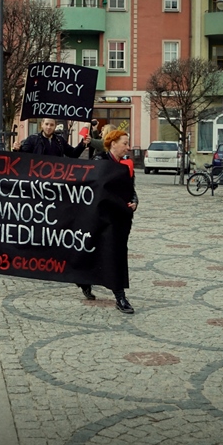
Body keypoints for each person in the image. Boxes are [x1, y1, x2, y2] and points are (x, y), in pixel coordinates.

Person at [81, 130, 137, 313]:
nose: (128, 147)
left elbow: (131, 189)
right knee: (100, 252)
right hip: (101, 218)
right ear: (113, 143)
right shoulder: (100, 161)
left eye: (128, 143)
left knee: (116, 254)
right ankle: (88, 281)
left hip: (119, 219)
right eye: (124, 143)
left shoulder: (127, 164)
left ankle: (117, 296)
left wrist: (134, 201)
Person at [18, 117, 88, 157]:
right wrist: (17, 149)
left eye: (51, 125)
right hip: (37, 175)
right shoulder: (32, 139)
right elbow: (23, 156)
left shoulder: (60, 140)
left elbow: (73, 154)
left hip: (56, 175)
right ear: (42, 124)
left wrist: (82, 144)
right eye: (46, 124)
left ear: (55, 126)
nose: (48, 127)